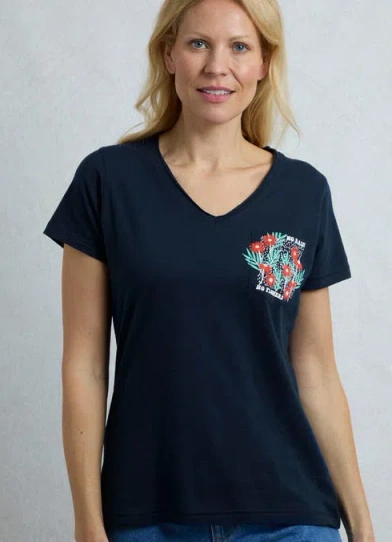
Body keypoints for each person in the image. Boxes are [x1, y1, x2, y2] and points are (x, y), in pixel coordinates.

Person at [43, 0, 375, 541]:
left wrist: (362, 525)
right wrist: (87, 520)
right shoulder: (108, 182)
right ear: (169, 54)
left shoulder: (303, 193)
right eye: (198, 43)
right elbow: (84, 366)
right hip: (148, 513)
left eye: (239, 47)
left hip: (291, 518)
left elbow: (316, 371)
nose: (217, 66)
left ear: (263, 63)